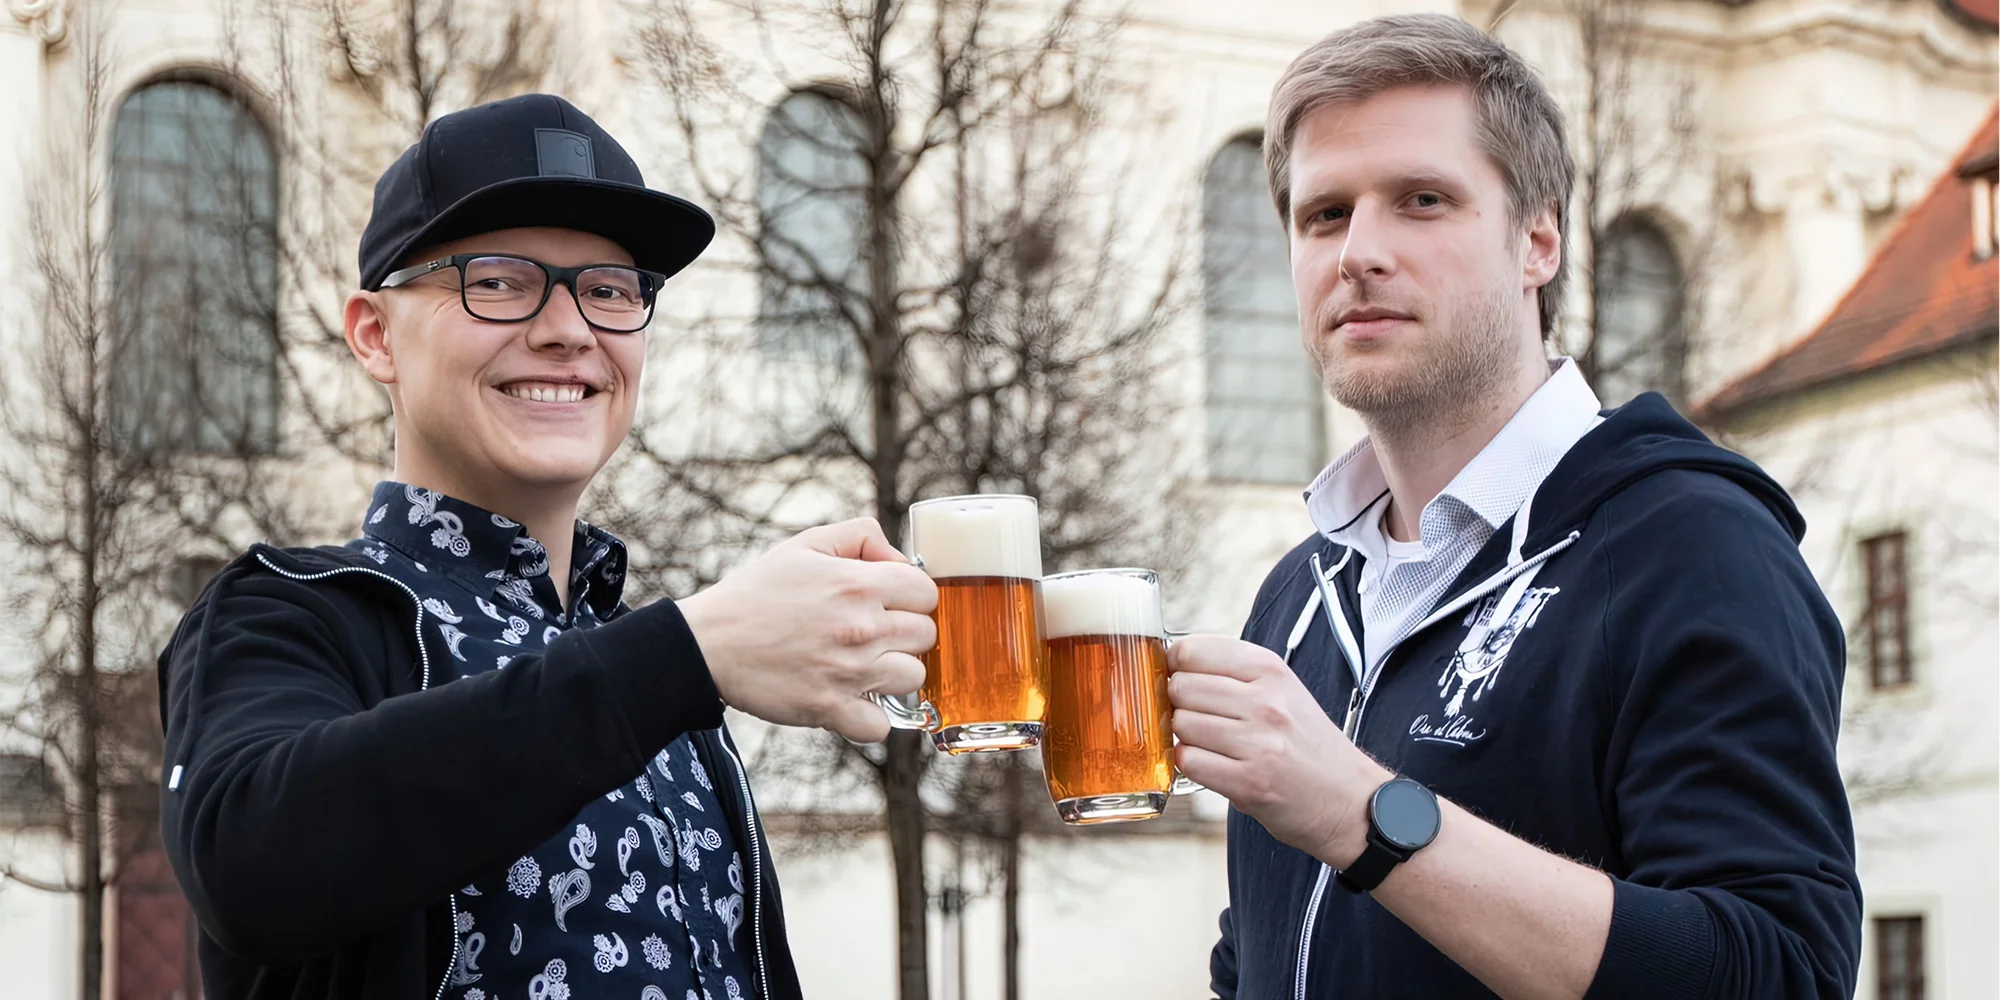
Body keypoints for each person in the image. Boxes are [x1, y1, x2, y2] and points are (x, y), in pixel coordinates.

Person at [156, 94, 937, 1000]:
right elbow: (251, 863)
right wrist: (687, 653)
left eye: (609, 291)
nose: (569, 330)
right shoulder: (286, 611)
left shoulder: (663, 670)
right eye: (496, 281)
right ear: (376, 336)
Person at [1166, 15, 1860, 1000]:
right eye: (1323, 215)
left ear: (1537, 241)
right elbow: (1256, 969)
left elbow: (1780, 972)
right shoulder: (1298, 598)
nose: (1358, 250)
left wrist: (1358, 813)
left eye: (1421, 200)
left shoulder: (1691, 543)